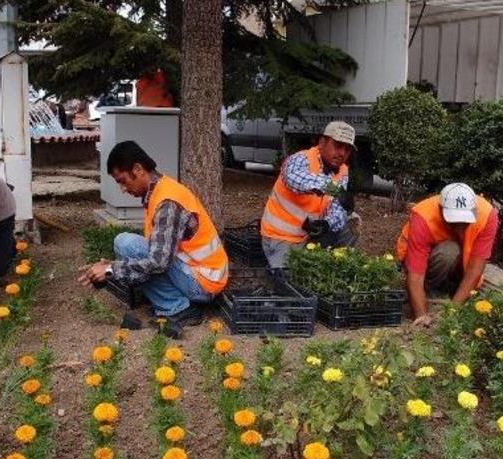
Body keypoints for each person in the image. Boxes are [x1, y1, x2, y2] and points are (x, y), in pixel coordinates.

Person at [78, 141, 228, 338]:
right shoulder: (159, 190)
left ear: (138, 169)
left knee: (127, 244)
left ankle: (178, 309)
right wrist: (113, 267)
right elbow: (157, 250)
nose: (123, 189)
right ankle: (173, 301)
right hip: (197, 273)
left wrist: (110, 270)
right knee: (125, 245)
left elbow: (158, 262)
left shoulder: (167, 203)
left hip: (203, 283)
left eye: (123, 181)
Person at [395, 183, 500, 327]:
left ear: (474, 211)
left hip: (461, 265)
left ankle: (452, 291)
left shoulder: (487, 215)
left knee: (502, 290)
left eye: (464, 222)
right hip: (429, 265)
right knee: (449, 251)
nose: (459, 228)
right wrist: (421, 315)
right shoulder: (423, 216)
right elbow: (416, 275)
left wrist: (452, 312)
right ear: (440, 209)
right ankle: (431, 292)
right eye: (454, 222)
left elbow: (475, 270)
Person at [260, 121, 358, 269]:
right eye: (338, 146)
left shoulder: (342, 170)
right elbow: (294, 180)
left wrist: (326, 224)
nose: (342, 154)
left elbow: (337, 209)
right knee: (289, 278)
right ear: (322, 142)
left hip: (311, 235)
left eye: (347, 149)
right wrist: (334, 189)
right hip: (282, 237)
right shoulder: (300, 159)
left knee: (351, 221)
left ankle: (339, 265)